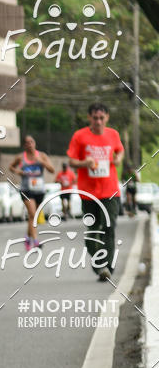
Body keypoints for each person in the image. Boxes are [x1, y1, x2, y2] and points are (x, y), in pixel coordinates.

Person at [67, 102, 124, 281]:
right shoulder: (80, 136)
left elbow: (120, 151)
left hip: (110, 191)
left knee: (109, 227)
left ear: (106, 117)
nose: (98, 121)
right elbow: (71, 161)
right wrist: (85, 163)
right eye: (95, 118)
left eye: (101, 118)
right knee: (92, 229)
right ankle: (100, 264)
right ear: (89, 118)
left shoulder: (113, 134)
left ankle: (105, 266)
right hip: (88, 193)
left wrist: (118, 159)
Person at [9, 135, 55, 250]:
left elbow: (52, 170)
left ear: (34, 143)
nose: (30, 144)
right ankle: (35, 241)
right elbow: (11, 167)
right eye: (27, 142)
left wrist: (42, 162)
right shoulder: (21, 157)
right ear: (25, 145)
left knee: (33, 217)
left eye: (31, 142)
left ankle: (27, 237)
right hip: (26, 190)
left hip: (39, 190)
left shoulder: (42, 155)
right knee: (32, 214)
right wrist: (18, 171)